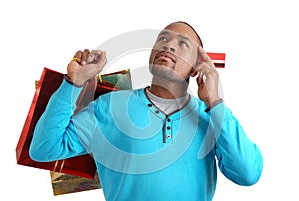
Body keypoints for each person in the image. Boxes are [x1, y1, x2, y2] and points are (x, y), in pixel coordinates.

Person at [29, 21, 263, 201]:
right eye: (162, 39)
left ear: (197, 67)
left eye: (183, 44)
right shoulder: (109, 106)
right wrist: (73, 83)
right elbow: (43, 149)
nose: (168, 45)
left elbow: (248, 174)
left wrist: (215, 102)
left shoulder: (211, 117)